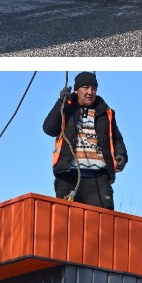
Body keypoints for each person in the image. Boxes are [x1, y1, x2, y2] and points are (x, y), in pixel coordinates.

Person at [41, 71, 128, 209]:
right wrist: (61, 103)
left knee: (103, 225)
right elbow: (49, 129)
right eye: (86, 87)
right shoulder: (66, 107)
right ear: (76, 90)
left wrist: (121, 155)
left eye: (93, 88)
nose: (90, 92)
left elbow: (116, 138)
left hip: (99, 178)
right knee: (67, 224)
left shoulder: (105, 112)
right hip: (68, 177)